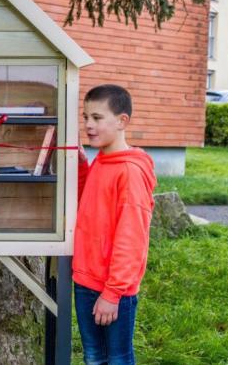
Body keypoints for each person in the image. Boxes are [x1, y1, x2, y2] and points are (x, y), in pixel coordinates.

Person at [74, 84, 157, 365]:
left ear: (122, 121)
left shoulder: (129, 171)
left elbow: (131, 238)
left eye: (97, 118)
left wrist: (112, 293)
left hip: (113, 289)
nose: (88, 125)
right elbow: (90, 201)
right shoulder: (103, 160)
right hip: (86, 279)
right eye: (85, 117)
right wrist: (81, 165)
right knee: (94, 358)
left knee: (118, 359)